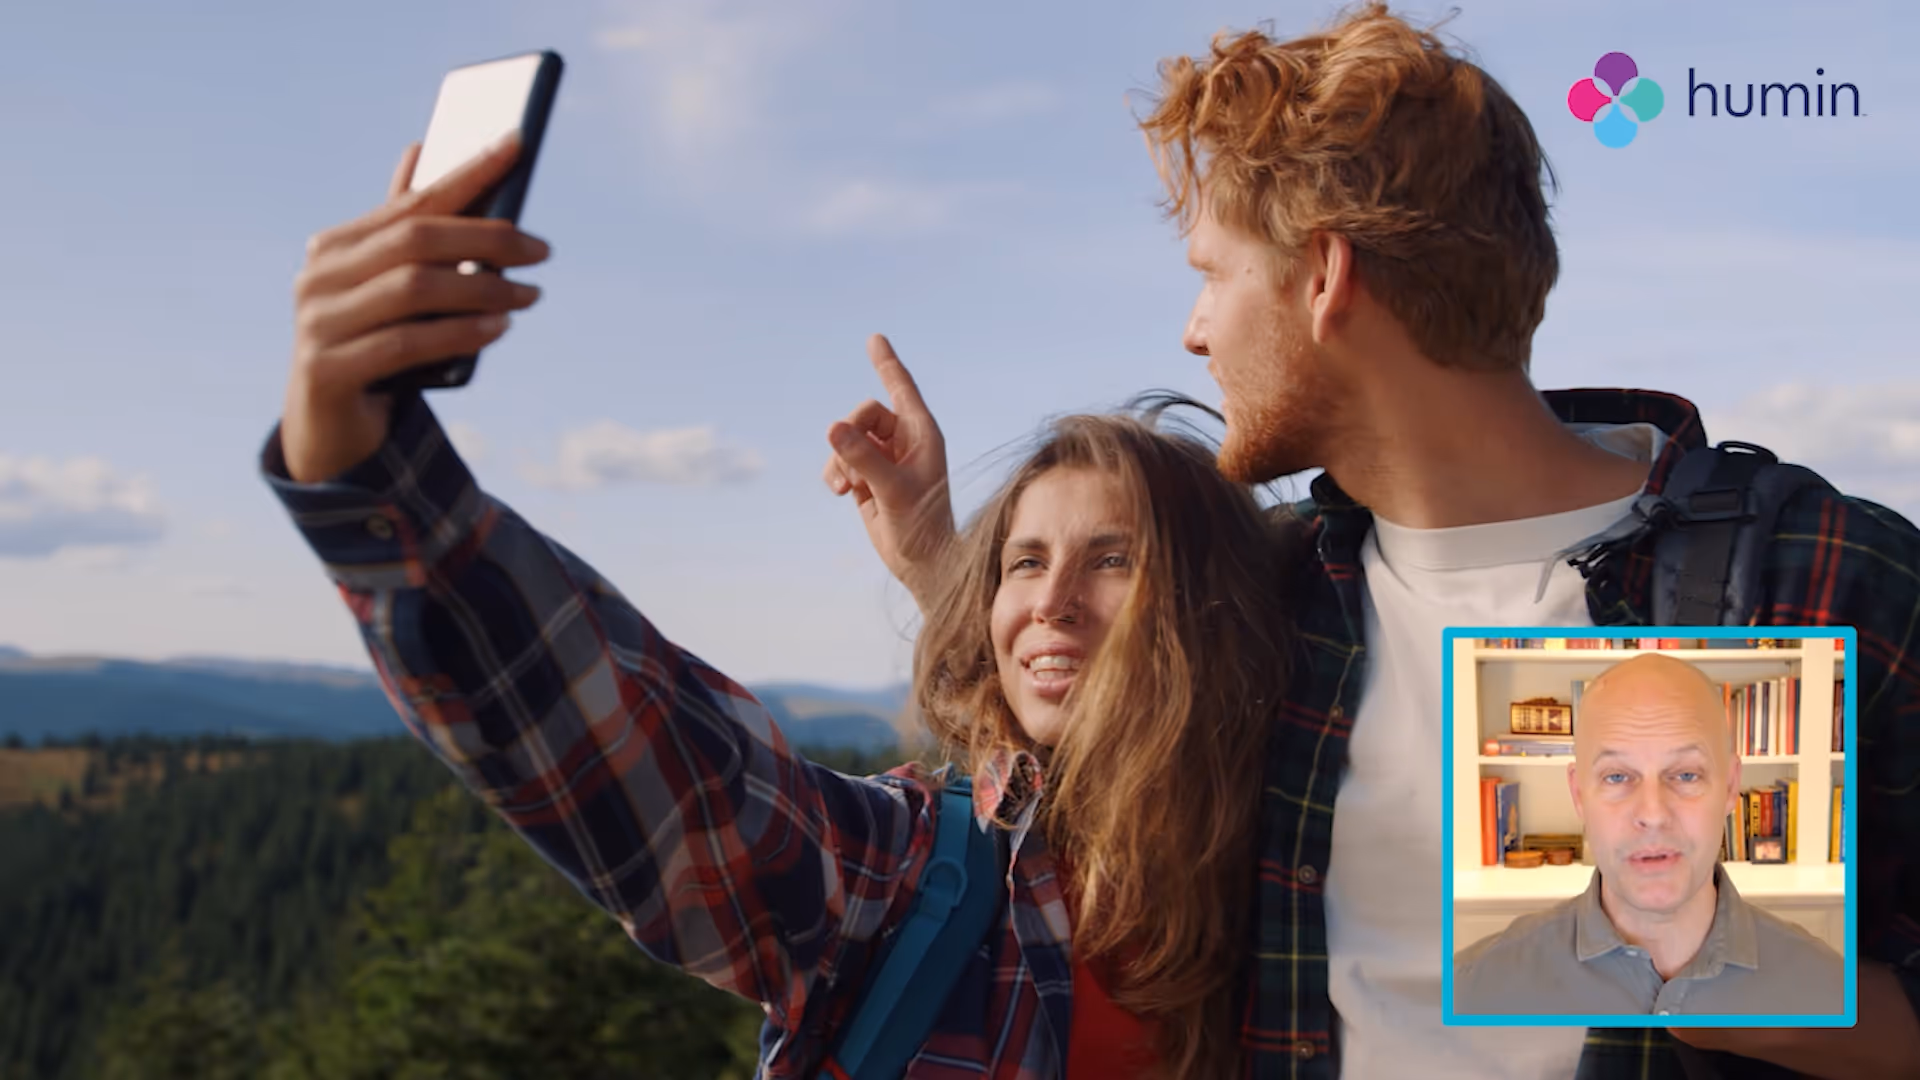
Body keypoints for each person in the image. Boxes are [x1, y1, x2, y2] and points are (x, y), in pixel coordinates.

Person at [821, 5, 1920, 1078]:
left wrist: (1729, 976)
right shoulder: (1269, 584)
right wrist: (937, 554)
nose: (1193, 329)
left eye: (1212, 273)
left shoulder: (1818, 580)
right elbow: (1073, 733)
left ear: (1325, 278)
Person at [262, 132, 1305, 1078]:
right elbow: (661, 765)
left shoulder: (1299, 862)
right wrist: (367, 471)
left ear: (1205, 611)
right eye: (1021, 563)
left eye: (1112, 559)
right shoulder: (914, 878)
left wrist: (947, 566)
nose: (1051, 600)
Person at [1452, 654, 1844, 1017]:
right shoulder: (1472, 989)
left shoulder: (1831, 991)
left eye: (1686, 775)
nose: (1653, 815)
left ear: (1729, 787)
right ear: (1579, 794)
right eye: (1617, 776)